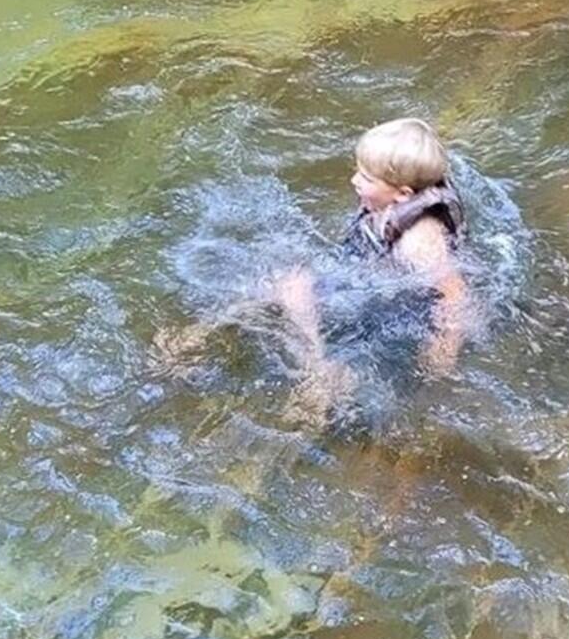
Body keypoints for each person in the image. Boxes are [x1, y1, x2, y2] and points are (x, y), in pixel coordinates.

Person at [158, 117, 472, 421]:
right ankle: (202, 336)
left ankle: (319, 370)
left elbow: (453, 291)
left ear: (403, 193)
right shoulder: (396, 203)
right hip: (371, 275)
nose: (354, 180)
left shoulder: (419, 239)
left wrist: (443, 349)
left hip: (394, 303)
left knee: (293, 287)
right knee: (283, 281)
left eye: (366, 177)